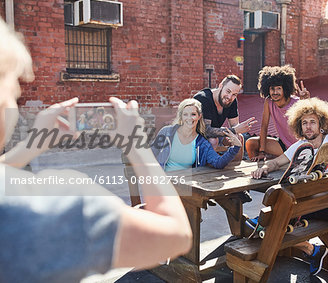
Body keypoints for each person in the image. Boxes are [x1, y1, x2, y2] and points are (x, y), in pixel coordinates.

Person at [0, 18, 192, 282]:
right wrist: (135, 144)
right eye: (14, 89)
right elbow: (176, 237)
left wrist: (31, 146)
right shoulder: (62, 204)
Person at [250, 97, 328, 276]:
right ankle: (311, 250)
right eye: (304, 123)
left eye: (312, 122)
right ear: (299, 126)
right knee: (281, 218)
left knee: (276, 218)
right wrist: (264, 168)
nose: (308, 127)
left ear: (322, 124)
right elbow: (277, 163)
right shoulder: (301, 146)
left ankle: (261, 224)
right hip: (311, 205)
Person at [151, 98, 242, 171]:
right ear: (181, 116)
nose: (189, 118)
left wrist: (236, 147)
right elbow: (151, 154)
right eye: (185, 114)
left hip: (186, 186)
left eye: (193, 114)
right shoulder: (167, 132)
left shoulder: (201, 143)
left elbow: (218, 163)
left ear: (199, 116)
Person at [245, 65, 310, 161]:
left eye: (279, 88)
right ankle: (261, 165)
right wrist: (261, 152)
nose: (275, 92)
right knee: (251, 143)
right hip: (282, 145)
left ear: (285, 88)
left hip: (299, 146)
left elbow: (310, 125)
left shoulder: (297, 102)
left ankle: (282, 159)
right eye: (272, 89)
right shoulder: (269, 101)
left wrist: (305, 102)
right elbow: (264, 126)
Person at [193, 75, 257, 160]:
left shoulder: (231, 101)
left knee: (239, 138)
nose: (230, 97)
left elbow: (234, 125)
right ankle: (206, 170)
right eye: (228, 91)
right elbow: (206, 131)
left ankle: (235, 168)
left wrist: (234, 134)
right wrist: (234, 130)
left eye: (234, 94)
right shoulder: (204, 99)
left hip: (214, 132)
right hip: (194, 136)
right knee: (213, 140)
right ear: (220, 86)